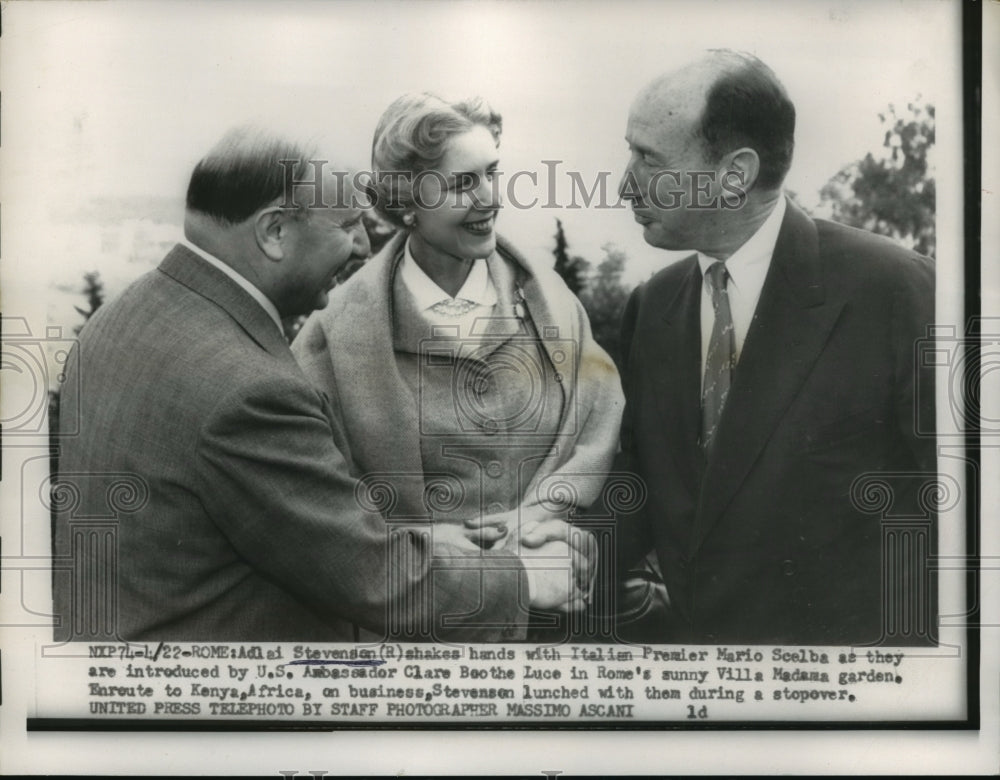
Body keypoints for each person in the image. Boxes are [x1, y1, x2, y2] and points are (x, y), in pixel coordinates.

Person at [52, 125, 588, 643]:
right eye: (348, 223)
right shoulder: (250, 393)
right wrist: (525, 579)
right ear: (274, 232)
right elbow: (373, 578)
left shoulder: (119, 318)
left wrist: (423, 543)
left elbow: (276, 531)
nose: (363, 245)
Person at [615, 50, 936, 645]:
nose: (624, 184)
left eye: (649, 159)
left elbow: (972, 515)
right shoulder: (651, 308)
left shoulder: (896, 290)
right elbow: (639, 494)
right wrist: (562, 546)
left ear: (735, 174)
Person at [293, 94, 624, 638]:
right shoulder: (332, 337)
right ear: (407, 202)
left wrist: (538, 518)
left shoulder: (554, 303)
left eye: (491, 173)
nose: (490, 198)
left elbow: (598, 426)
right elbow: (321, 507)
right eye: (462, 183)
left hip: (553, 619)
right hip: (407, 634)